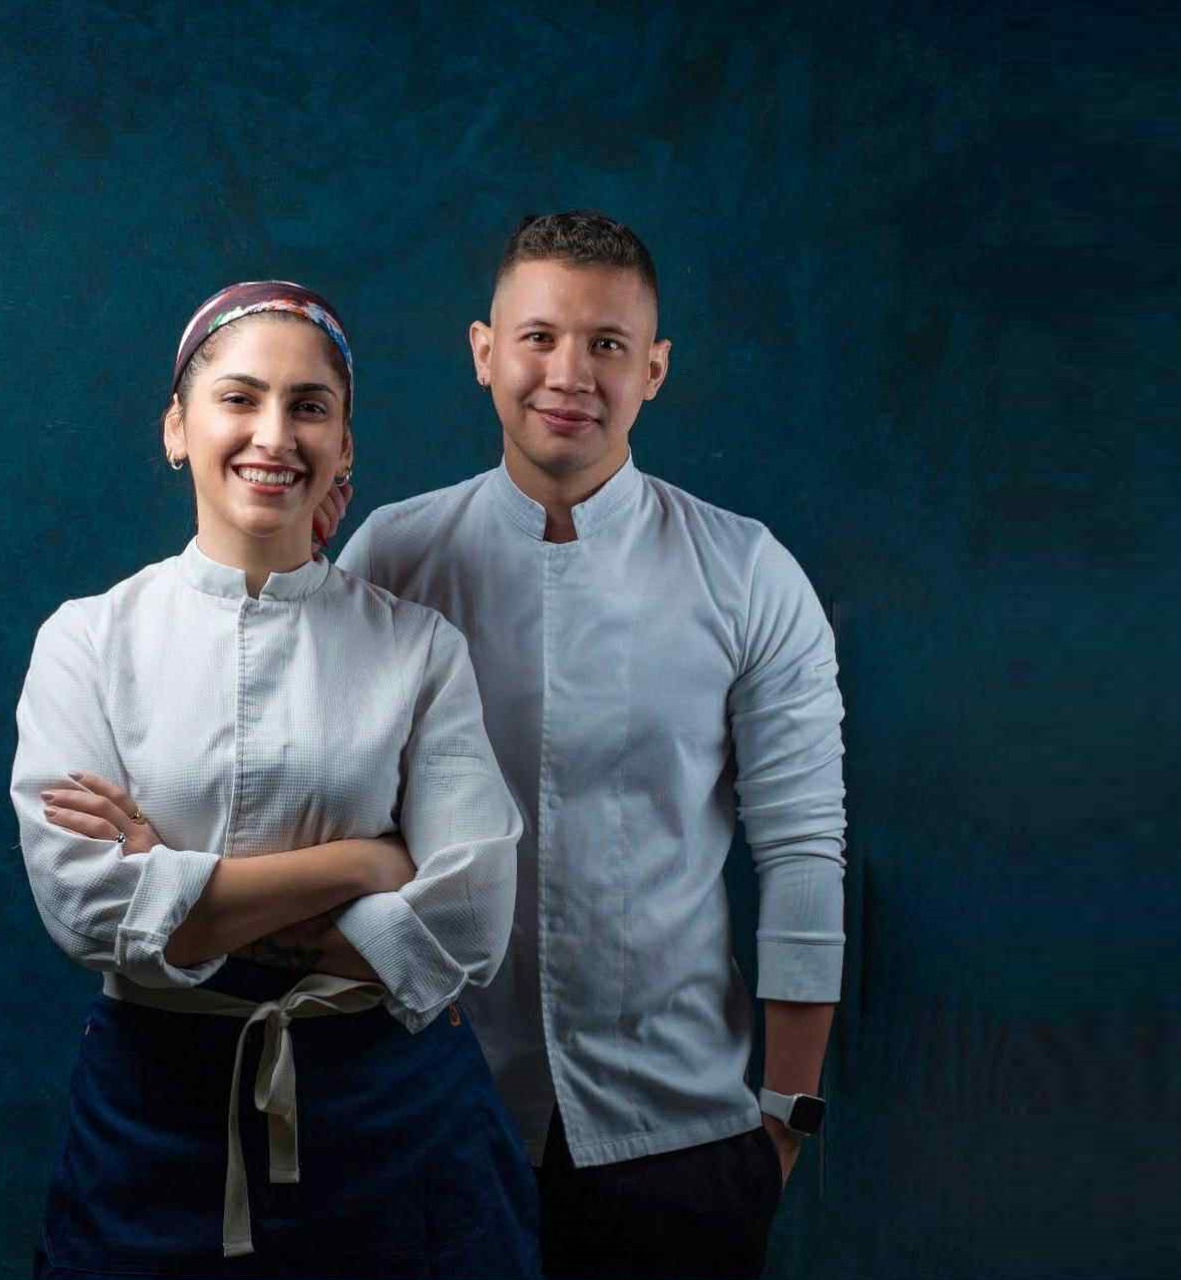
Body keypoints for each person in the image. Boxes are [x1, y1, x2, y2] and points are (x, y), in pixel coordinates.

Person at [328, 213, 848, 1279]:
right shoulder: (391, 556)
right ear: (485, 352)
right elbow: (325, 816)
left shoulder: (748, 572)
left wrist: (786, 1116)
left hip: (681, 1139)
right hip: (432, 1119)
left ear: (652, 370)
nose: (570, 374)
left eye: (607, 343)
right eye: (539, 337)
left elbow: (802, 854)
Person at [11, 281, 540, 1279]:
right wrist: (364, 864)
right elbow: (86, 905)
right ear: (178, 428)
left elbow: (471, 913)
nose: (274, 435)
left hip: (397, 1123)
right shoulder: (87, 640)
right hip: (152, 1120)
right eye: (239, 398)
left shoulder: (419, 647)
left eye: (309, 407)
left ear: (343, 447)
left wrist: (186, 898)